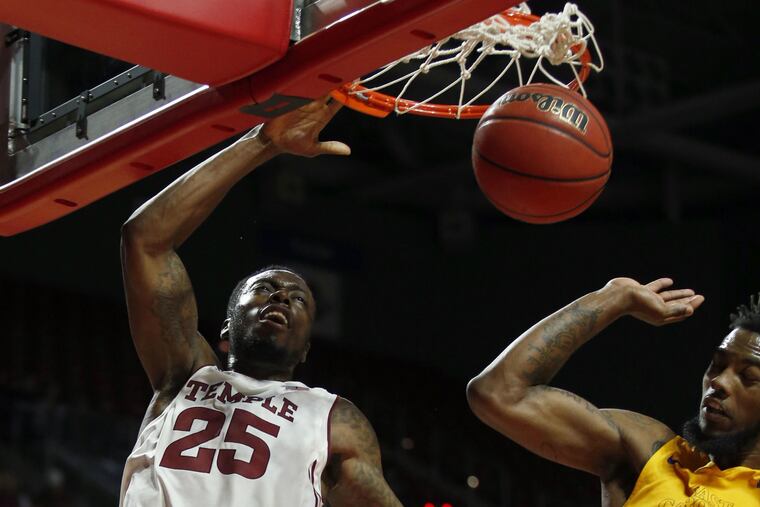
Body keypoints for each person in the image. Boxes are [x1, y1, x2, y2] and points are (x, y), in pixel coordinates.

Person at [118, 97, 402, 507]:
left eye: (300, 299)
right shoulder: (184, 374)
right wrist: (264, 142)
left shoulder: (333, 418)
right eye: (265, 288)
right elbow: (143, 240)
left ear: (306, 349)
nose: (283, 295)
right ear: (227, 327)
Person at [467, 276, 760, 506]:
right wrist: (616, 297)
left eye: (749, 376)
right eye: (717, 365)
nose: (719, 382)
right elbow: (498, 393)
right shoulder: (648, 453)